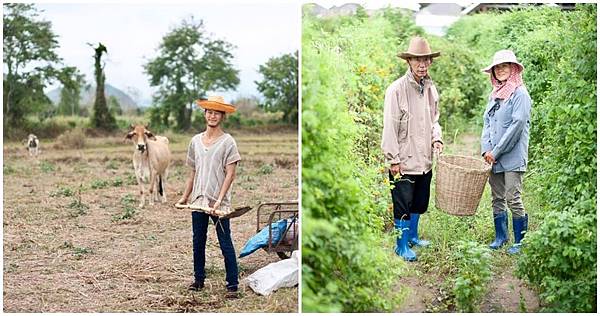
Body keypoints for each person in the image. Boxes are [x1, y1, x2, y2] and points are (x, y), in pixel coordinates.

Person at [381, 36, 444, 262]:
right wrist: (393, 159)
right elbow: (390, 127)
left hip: (425, 158)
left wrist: (436, 138)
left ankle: (413, 237)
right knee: (402, 203)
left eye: (425, 60)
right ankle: (401, 245)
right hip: (404, 159)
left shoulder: (429, 88)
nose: (422, 64)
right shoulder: (396, 90)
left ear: (430, 62)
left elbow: (434, 119)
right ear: (409, 61)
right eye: (417, 60)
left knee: (419, 200)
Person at [177, 96, 241, 294]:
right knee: (198, 241)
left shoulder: (228, 142)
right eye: (209, 112)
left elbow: (230, 174)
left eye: (217, 113)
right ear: (205, 114)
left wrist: (220, 201)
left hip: (218, 203)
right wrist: (184, 197)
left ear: (222, 116)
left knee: (225, 242)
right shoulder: (195, 141)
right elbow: (193, 173)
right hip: (198, 201)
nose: (212, 116)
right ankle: (198, 280)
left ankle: (232, 284)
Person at [480, 50, 532, 255]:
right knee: (497, 197)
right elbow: (486, 123)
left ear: (513, 69)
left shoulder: (520, 94)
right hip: (493, 156)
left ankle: (520, 241)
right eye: (497, 67)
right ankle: (500, 237)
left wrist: (497, 151)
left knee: (513, 197)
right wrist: (486, 150)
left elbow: (517, 126)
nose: (501, 70)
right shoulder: (495, 94)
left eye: (505, 66)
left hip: (512, 156)